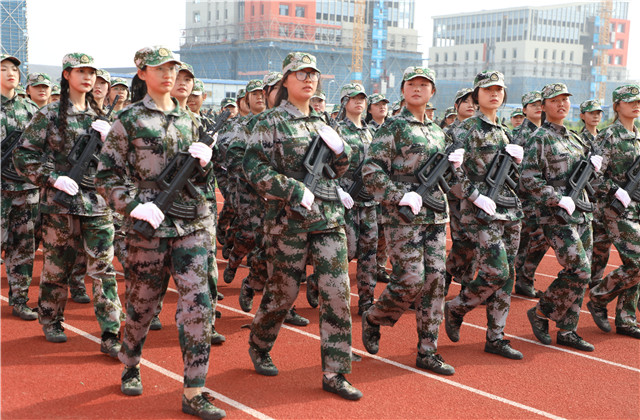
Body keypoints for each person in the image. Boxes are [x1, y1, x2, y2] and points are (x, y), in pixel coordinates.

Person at [94, 46, 225, 419]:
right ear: (142, 73)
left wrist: (205, 164)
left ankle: (194, 390)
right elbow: (106, 175)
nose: (169, 74)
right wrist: (133, 205)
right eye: (160, 68)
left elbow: (205, 183)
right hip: (147, 225)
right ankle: (131, 362)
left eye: (173, 68)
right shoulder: (129, 120)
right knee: (142, 306)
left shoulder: (192, 122)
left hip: (190, 224)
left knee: (199, 304)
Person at [243, 51, 361, 400]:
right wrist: (292, 189)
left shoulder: (325, 121)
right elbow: (254, 168)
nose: (308, 79)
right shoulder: (270, 122)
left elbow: (338, 170)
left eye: (313, 74)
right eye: (301, 74)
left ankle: (336, 371)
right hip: (287, 220)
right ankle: (260, 342)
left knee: (337, 292)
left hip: (328, 217)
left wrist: (342, 152)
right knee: (284, 293)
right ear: (285, 81)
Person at [13, 53, 122, 357]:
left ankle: (111, 332)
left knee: (103, 269)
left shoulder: (104, 118)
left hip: (97, 204)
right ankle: (51, 319)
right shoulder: (49, 114)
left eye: (91, 72)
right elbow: (23, 155)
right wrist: (52, 178)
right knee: (57, 267)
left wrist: (112, 141)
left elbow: (122, 164)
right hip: (60, 205)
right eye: (80, 71)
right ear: (66, 75)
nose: (88, 77)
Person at [361, 66, 463, 375]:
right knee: (410, 279)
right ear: (403, 90)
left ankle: (427, 351)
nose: (417, 89)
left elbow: (451, 183)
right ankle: (375, 317)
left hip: (435, 216)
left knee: (435, 282)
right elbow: (371, 171)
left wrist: (457, 169)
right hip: (402, 216)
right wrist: (399, 195)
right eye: (412, 84)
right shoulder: (392, 127)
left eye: (424, 84)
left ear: (433, 92)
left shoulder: (439, 133)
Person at [444, 70, 524, 360]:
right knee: (496, 271)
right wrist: (474, 195)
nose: (494, 94)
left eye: (499, 90)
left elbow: (515, 178)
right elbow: (450, 173)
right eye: (488, 89)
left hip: (509, 211)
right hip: (479, 213)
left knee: (507, 275)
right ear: (476, 95)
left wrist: (518, 163)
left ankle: (496, 336)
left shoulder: (505, 132)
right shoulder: (464, 130)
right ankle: (457, 307)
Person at [520, 82, 601, 352]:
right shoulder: (539, 138)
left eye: (565, 99)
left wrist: (595, 169)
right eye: (555, 100)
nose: (561, 104)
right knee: (580, 269)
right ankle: (541, 312)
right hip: (556, 216)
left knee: (580, 273)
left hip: (582, 213)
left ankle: (568, 330)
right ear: (543, 106)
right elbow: (528, 178)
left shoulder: (575, 138)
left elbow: (586, 177)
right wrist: (556, 198)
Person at [586, 84, 640, 340]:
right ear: (617, 106)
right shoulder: (608, 136)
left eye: (638, 101)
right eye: (630, 101)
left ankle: (626, 319)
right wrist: (616, 190)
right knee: (638, 261)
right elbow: (593, 176)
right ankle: (598, 297)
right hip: (614, 210)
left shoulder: (637, 136)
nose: (636, 105)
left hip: (636, 209)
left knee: (634, 265)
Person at [1, 53, 40, 320]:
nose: (10, 73)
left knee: (23, 247)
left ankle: (19, 300)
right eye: (3, 69)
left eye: (14, 69)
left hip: (26, 190)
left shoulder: (30, 109)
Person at [334, 83, 378, 316]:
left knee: (369, 253)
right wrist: (336, 191)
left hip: (369, 201)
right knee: (347, 251)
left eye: (362, 98)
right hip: (346, 199)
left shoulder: (371, 132)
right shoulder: (337, 130)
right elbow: (325, 165)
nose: (359, 102)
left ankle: (366, 301)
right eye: (354, 98)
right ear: (344, 102)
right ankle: (317, 284)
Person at [513, 91, 546, 298]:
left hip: (542, 196)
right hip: (524, 197)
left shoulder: (546, 132)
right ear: (524, 109)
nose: (537, 108)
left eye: (540, 104)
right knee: (522, 241)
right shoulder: (519, 134)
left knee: (540, 239)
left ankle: (525, 278)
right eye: (532, 105)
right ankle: (519, 280)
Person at [443, 87, 477, 295]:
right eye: (466, 102)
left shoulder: (479, 129)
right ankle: (446, 277)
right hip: (457, 195)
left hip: (480, 194)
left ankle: (466, 284)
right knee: (464, 240)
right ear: (456, 106)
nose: (471, 105)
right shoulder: (449, 133)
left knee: (475, 241)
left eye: (474, 102)